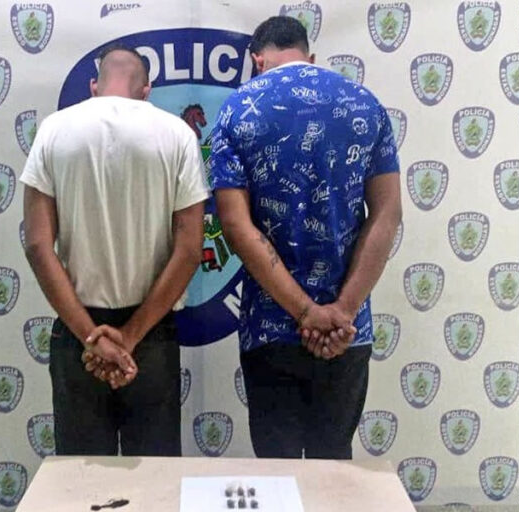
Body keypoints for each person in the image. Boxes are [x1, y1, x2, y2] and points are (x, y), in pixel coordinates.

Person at [209, 16, 402, 459]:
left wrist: (304, 313)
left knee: (277, 474)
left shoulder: (238, 109)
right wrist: (342, 311)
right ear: (309, 56)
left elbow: (236, 226)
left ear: (257, 60)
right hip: (346, 331)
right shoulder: (364, 104)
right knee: (334, 466)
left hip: (270, 328)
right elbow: (387, 214)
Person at [21, 45, 207, 455]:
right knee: (154, 476)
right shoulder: (177, 134)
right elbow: (190, 249)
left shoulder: (54, 130)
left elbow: (37, 244)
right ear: (146, 90)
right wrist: (129, 336)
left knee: (81, 478)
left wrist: (93, 338)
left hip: (79, 333)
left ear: (94, 86)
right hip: (151, 333)